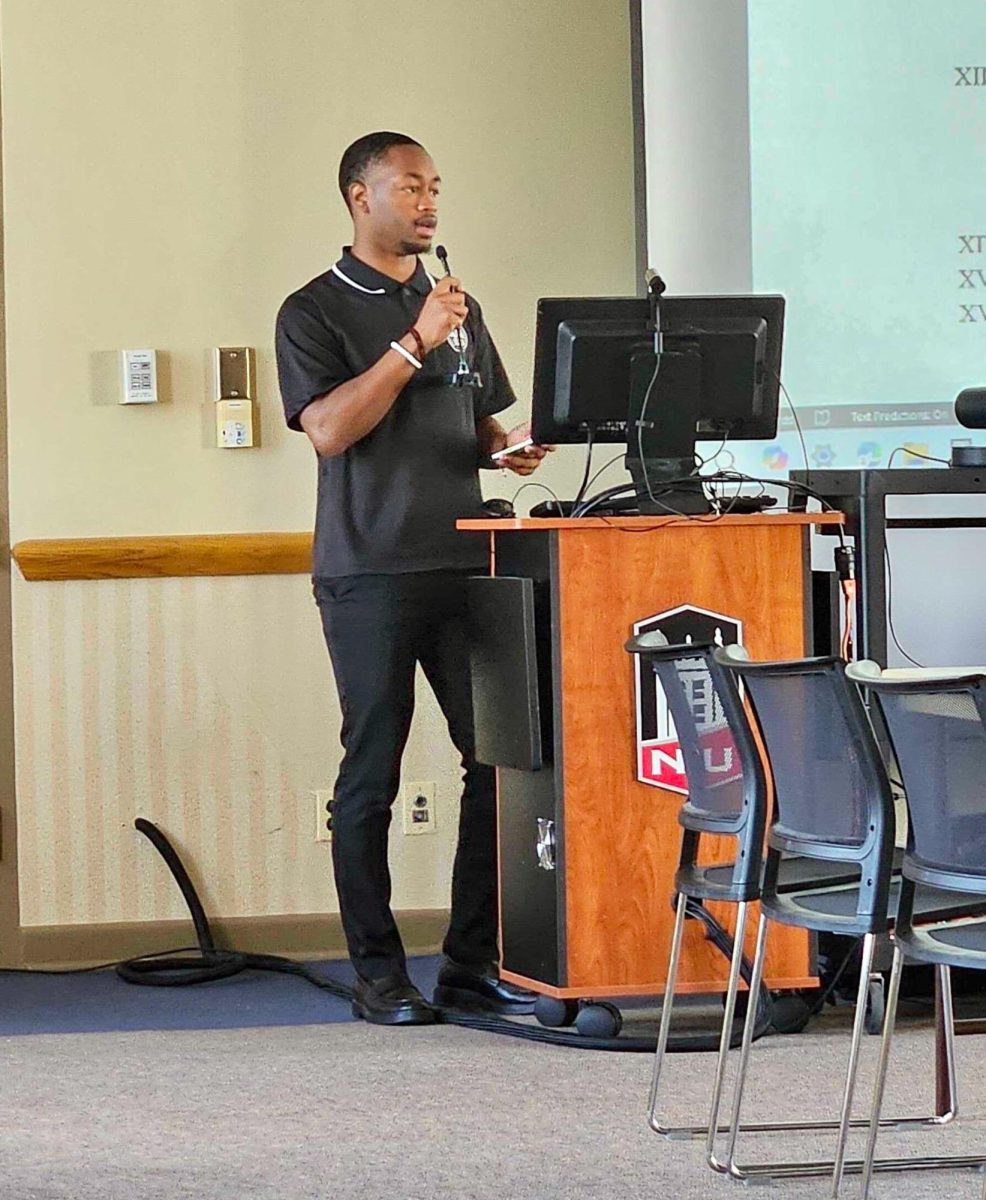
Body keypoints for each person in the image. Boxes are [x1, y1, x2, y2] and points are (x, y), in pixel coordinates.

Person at [276, 131, 551, 1025]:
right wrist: (412, 342)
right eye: (410, 187)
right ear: (361, 197)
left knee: (499, 760)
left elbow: (479, 423)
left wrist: (511, 450)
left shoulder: (455, 305)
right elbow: (329, 430)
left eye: (436, 186)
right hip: (371, 570)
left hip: (468, 562)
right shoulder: (312, 310)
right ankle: (377, 973)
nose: (429, 202)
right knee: (373, 770)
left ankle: (471, 962)